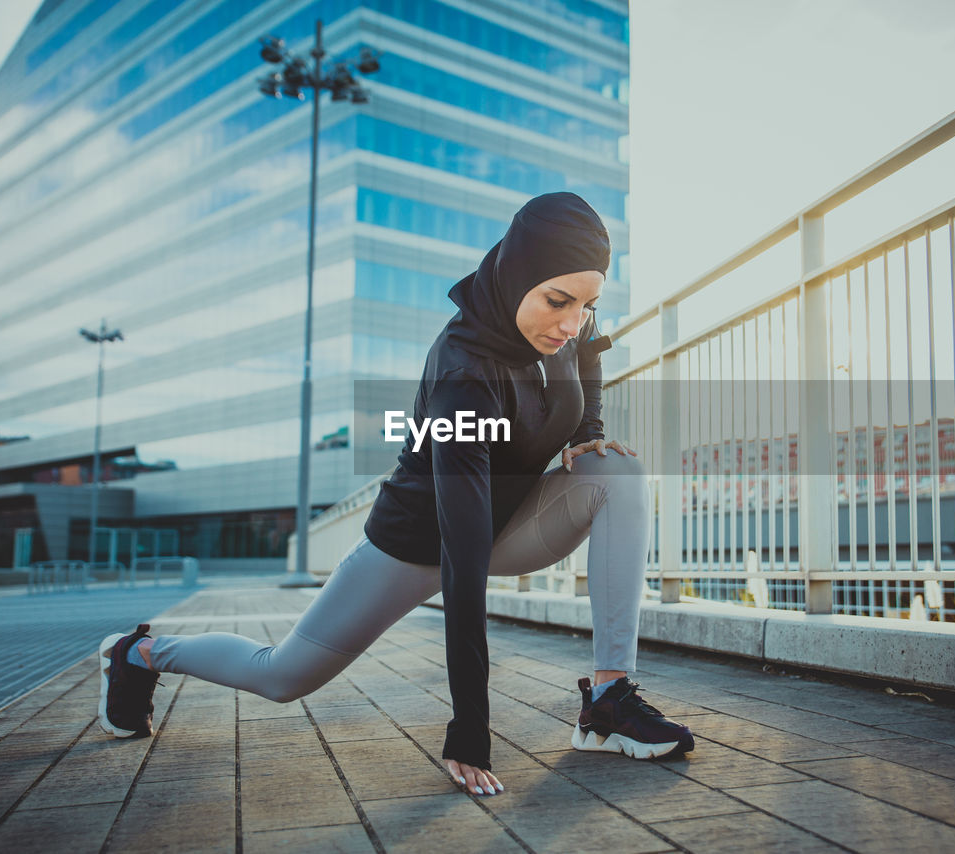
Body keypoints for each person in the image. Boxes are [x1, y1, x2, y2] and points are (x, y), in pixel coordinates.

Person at [98, 192, 695, 797]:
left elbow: (588, 354)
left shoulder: (568, 323)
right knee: (280, 676)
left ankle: (608, 699)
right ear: (518, 278)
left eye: (587, 303)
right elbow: (462, 561)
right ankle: (143, 653)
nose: (572, 321)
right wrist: (470, 728)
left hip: (505, 525)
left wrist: (588, 433)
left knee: (615, 474)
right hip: (416, 545)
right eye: (559, 302)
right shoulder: (463, 375)